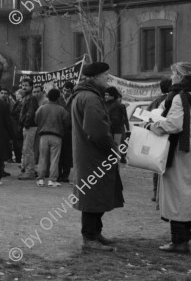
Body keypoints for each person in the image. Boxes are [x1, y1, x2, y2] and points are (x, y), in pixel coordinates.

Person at [69, 62, 123, 252]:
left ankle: (95, 233)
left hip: (89, 155)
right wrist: (113, 149)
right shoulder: (91, 98)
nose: (107, 78)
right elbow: (97, 131)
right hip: (94, 156)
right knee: (93, 197)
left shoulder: (85, 95)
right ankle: (90, 237)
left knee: (95, 196)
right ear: (95, 77)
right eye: (105, 75)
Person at [146, 62, 191, 254]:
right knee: (187, 193)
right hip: (188, 150)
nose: (171, 77)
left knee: (177, 195)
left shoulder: (180, 97)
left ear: (180, 77)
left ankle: (179, 241)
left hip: (180, 151)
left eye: (173, 74)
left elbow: (173, 125)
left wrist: (153, 126)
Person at [35, 89, 70, 187]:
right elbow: (67, 123)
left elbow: (36, 119)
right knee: (55, 159)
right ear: (58, 97)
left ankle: (40, 179)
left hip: (43, 135)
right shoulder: (62, 110)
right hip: (57, 136)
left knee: (42, 158)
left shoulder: (41, 108)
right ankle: (52, 180)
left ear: (47, 96)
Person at [148, 78, 172, 202]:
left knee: (156, 165)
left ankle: (156, 192)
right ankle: (163, 194)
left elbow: (146, 116)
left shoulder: (155, 101)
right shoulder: (172, 99)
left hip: (156, 136)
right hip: (168, 136)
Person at [18, 79, 38, 180]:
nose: (24, 87)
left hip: (30, 126)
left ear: (31, 87)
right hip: (27, 126)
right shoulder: (26, 97)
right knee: (26, 149)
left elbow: (30, 113)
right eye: (23, 85)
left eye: (26, 85)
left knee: (28, 149)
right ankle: (28, 170)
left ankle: (29, 171)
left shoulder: (31, 98)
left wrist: (25, 123)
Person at [58, 81, 74, 182]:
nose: (66, 92)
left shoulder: (74, 99)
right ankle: (58, 174)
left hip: (70, 130)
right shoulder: (58, 99)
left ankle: (65, 175)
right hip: (59, 129)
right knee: (59, 154)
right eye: (64, 90)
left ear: (71, 91)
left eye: (68, 91)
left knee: (67, 154)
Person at [10, 90, 24, 165]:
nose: (16, 95)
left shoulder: (20, 103)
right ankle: (18, 158)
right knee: (16, 142)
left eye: (18, 94)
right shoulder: (17, 103)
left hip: (19, 125)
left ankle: (19, 158)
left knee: (19, 143)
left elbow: (14, 113)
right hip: (16, 125)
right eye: (16, 94)